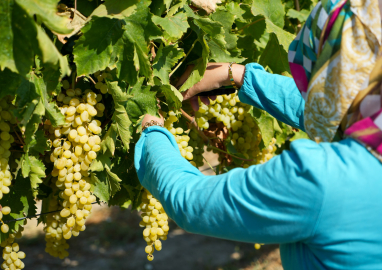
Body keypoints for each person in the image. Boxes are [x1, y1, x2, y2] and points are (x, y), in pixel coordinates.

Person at [135, 0, 382, 268]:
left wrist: (152, 131)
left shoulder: (321, 181)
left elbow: (190, 202)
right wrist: (238, 75)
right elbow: (331, 115)